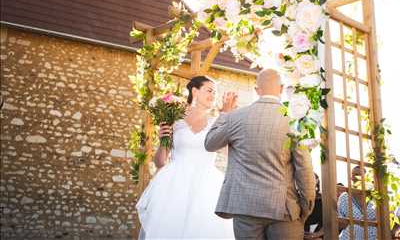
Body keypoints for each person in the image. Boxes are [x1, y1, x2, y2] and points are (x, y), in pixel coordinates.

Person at [205, 69, 316, 240]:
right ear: (281, 88)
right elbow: (304, 168)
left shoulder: (235, 117)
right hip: (284, 208)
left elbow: (210, 143)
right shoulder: (294, 120)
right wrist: (305, 206)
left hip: (245, 208)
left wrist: (225, 113)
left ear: (257, 90)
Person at [136, 76, 237, 239]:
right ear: (195, 91)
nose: (213, 95)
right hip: (174, 184)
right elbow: (160, 161)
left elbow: (229, 153)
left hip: (206, 186)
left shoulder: (215, 123)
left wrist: (227, 119)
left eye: (216, 93)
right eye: (209, 90)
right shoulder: (174, 120)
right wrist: (163, 140)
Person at [337, 166, 377, 240]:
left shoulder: (375, 197)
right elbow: (339, 222)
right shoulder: (344, 197)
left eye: (358, 175)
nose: (354, 177)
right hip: (350, 237)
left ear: (367, 177)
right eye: (353, 175)